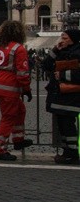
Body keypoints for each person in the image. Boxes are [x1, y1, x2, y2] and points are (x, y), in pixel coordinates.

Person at [0, 20, 32, 161]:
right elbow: (23, 73)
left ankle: (18, 139)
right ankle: (0, 148)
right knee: (8, 117)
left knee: (20, 110)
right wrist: (27, 89)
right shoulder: (18, 48)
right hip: (10, 87)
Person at [42, 29, 80, 164]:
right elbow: (46, 65)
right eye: (61, 38)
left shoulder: (77, 52)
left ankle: (72, 153)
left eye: (65, 38)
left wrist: (63, 75)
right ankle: (67, 151)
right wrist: (55, 50)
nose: (62, 40)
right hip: (59, 93)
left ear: (72, 39)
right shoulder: (61, 51)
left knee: (67, 124)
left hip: (70, 95)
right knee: (62, 124)